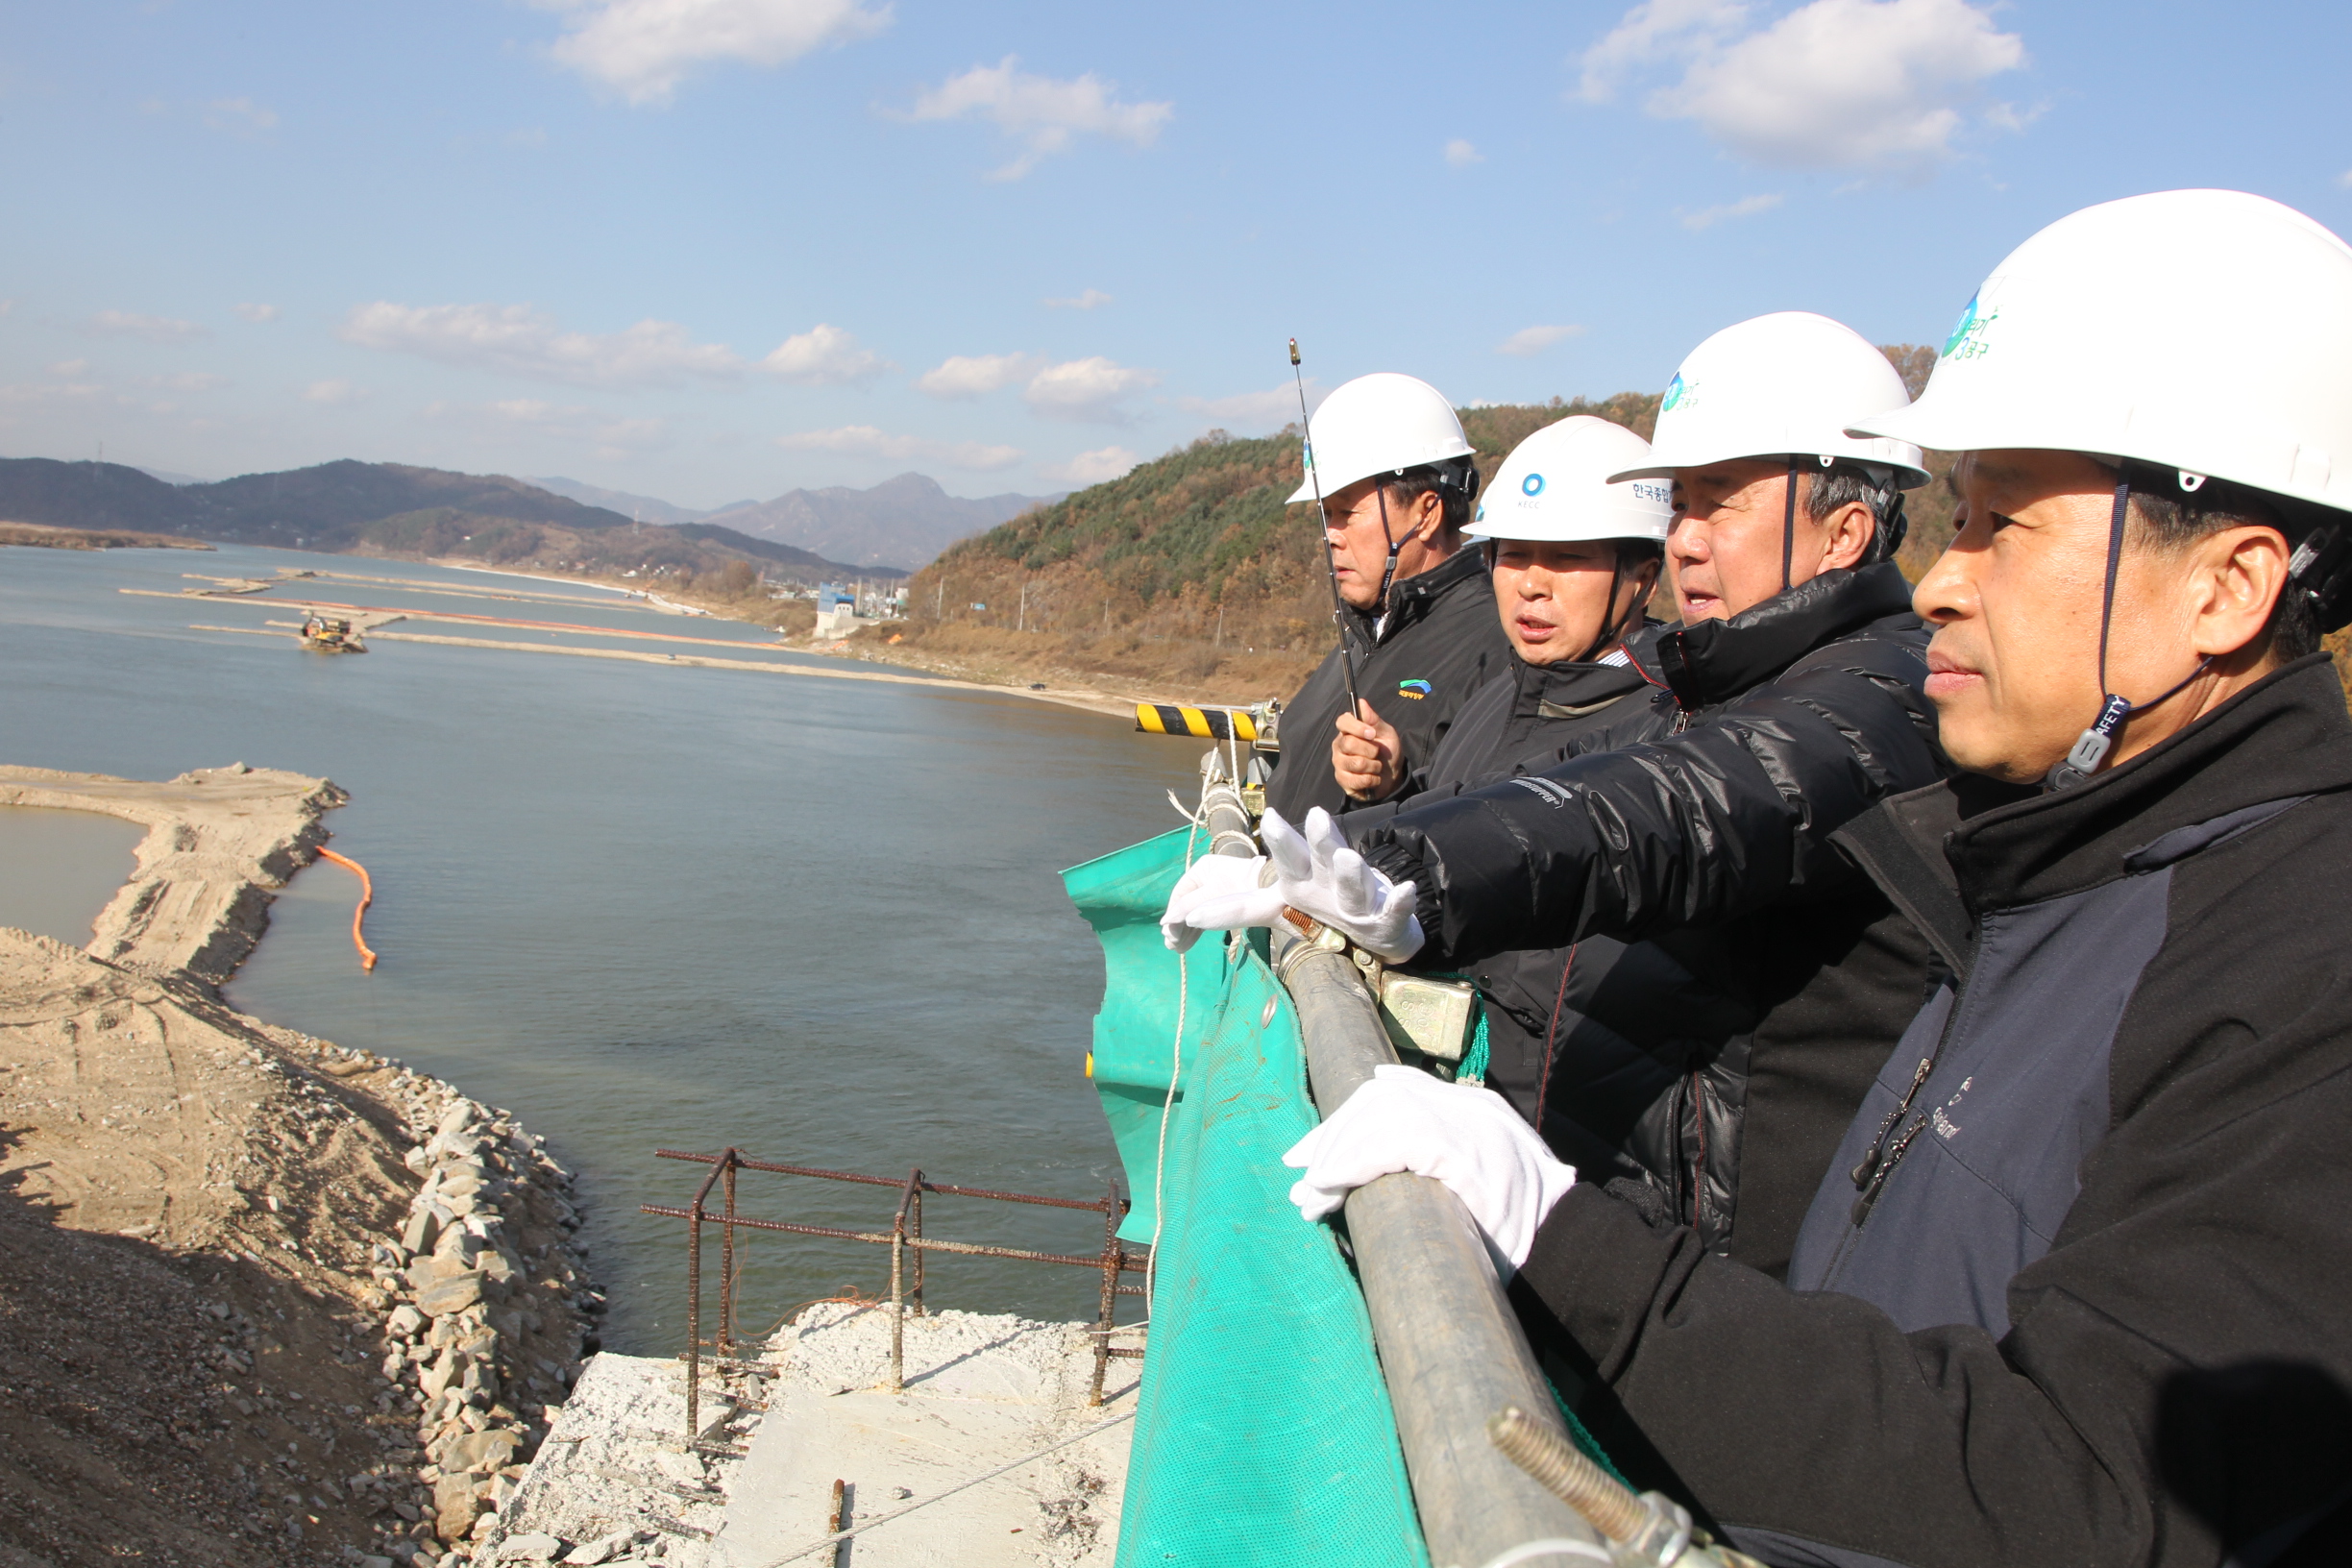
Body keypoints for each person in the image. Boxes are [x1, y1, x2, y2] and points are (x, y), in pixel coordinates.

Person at [1282, 189, 2352, 1567]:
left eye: (2001, 524)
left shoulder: (2292, 965)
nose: (1945, 580)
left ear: (2228, 586)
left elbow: (2082, 1487)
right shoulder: (2074, 875)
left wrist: (1565, 1240)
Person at [1175, 312, 1948, 1277]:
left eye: (1725, 504)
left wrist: (1400, 870)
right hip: (1635, 1207)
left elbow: (1666, 809)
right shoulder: (1713, 680)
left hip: (1739, 1262)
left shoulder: (1880, 698)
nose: (1688, 544)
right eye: (1683, 507)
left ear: (1846, 532)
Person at [1331, 415, 1671, 1129]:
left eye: (1568, 558)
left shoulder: (1665, 730)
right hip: (1438, 1087)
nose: (1532, 586)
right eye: (1513, 555)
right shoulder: (1499, 691)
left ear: (1642, 574)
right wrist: (1397, 791)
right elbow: (1454, 809)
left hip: (1548, 1120)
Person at [1261, 373, 1512, 823]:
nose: (1329, 537)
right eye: (1325, 515)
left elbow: (1485, 818)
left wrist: (1393, 784)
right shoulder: (1365, 632)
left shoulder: (1498, 643)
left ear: (1427, 512)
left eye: (1346, 513)